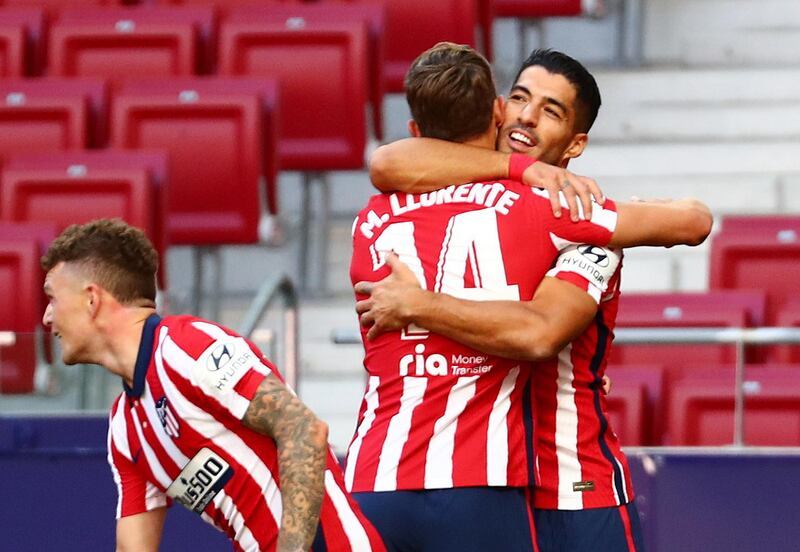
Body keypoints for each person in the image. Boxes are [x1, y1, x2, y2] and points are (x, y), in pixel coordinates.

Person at [346, 43, 710, 552]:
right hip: (492, 481)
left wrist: (417, 303)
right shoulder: (476, 189)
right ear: (497, 108)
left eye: (550, 111)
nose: (526, 118)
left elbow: (540, 331)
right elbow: (386, 161)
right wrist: (521, 170)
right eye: (520, 98)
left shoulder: (583, 227)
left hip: (571, 486)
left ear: (575, 144)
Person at [41, 218, 385, 552]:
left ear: (91, 299)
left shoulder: (187, 347)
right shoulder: (124, 429)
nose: (47, 317)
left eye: (53, 298)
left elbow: (302, 430)